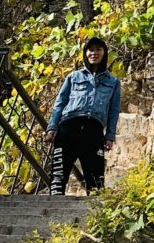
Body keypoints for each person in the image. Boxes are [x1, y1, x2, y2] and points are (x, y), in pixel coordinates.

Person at [46, 37, 121, 195]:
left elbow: (114, 110)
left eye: (98, 49)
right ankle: (52, 208)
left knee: (95, 178)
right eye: (91, 50)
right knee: (59, 173)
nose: (94, 53)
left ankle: (94, 217)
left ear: (104, 53)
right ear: (85, 53)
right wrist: (52, 126)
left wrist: (110, 136)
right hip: (68, 126)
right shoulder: (73, 77)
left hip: (93, 129)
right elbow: (60, 102)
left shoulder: (113, 82)